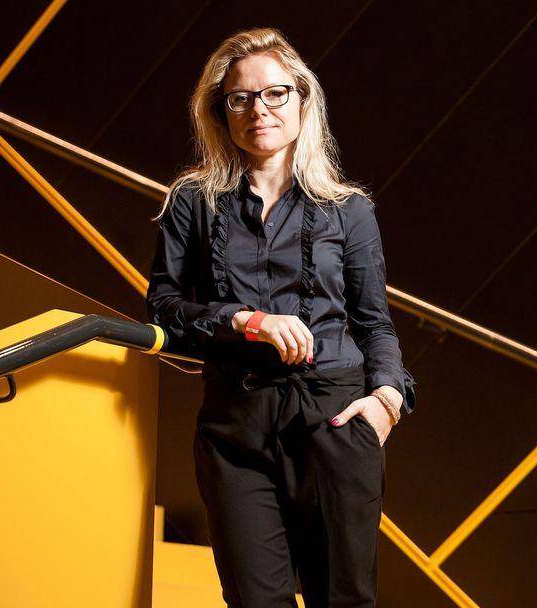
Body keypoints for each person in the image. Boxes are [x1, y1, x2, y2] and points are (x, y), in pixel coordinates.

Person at [145, 26, 416, 608]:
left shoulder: (349, 210)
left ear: (302, 98)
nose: (258, 110)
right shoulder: (193, 202)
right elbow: (163, 308)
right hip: (234, 431)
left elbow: (375, 324)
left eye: (274, 93)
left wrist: (386, 401)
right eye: (240, 98)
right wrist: (246, 320)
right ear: (220, 112)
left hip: (336, 421)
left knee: (342, 599)